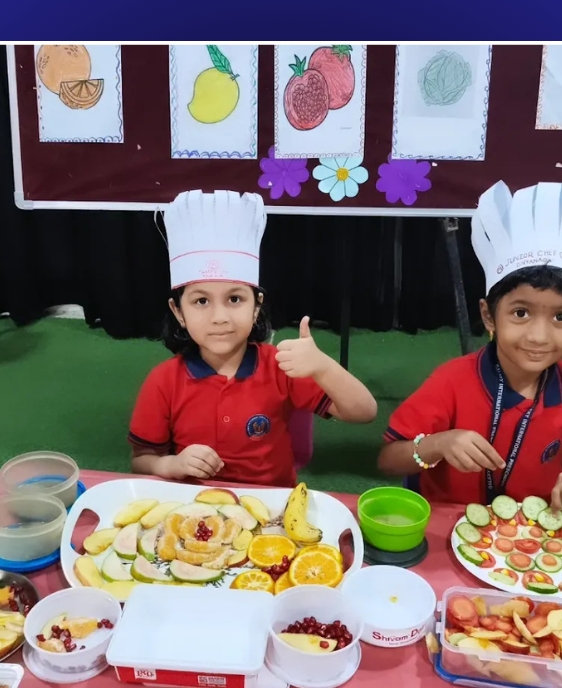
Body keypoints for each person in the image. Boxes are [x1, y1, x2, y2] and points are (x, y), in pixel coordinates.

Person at [379, 180, 562, 510]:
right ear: (489, 316)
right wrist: (439, 444)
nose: (539, 336)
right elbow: (389, 459)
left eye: (561, 317)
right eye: (521, 313)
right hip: (446, 520)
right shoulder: (451, 381)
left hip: (527, 530)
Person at [129, 189, 377, 487]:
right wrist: (171, 464)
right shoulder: (163, 382)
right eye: (201, 301)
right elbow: (142, 459)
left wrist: (322, 366)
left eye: (235, 299)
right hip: (193, 503)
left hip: (273, 500)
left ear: (256, 306)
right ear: (178, 311)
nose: (220, 317)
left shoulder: (281, 367)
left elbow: (364, 412)